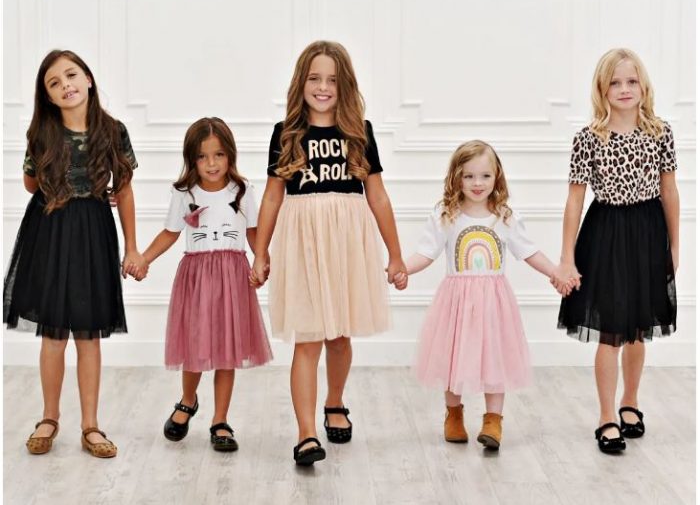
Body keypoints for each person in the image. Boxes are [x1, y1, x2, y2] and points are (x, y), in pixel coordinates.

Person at [251, 40, 407, 465]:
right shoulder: (286, 133)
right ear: (301, 83)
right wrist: (260, 252)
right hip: (303, 241)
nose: (323, 87)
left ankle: (335, 400)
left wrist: (395, 255)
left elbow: (377, 196)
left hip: (346, 240)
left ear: (345, 85)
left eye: (332, 80)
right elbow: (271, 197)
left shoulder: (360, 132)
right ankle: (305, 433)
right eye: (315, 79)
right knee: (307, 338)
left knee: (339, 336)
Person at [3, 49, 143, 458]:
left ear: (88, 79)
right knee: (53, 332)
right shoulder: (41, 134)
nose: (65, 85)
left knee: (88, 332)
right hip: (50, 230)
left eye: (71, 75)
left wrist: (132, 246)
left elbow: (125, 190)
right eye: (54, 82)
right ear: (47, 96)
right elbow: (31, 184)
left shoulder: (113, 131)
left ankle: (90, 425)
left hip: (93, 232)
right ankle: (49, 417)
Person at [398, 140, 572, 450]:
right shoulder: (446, 215)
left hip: (493, 302)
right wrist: (402, 270)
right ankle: (453, 414)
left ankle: (493, 420)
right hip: (457, 301)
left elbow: (528, 251)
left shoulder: (504, 217)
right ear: (456, 178)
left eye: (485, 176)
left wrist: (555, 272)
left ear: (497, 177)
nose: (477, 183)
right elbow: (426, 252)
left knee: (495, 358)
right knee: (454, 357)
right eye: (469, 176)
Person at [552, 48, 679, 454]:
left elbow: (669, 191)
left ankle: (630, 401)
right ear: (602, 89)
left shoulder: (660, 132)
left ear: (643, 86)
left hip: (647, 233)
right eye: (615, 82)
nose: (624, 89)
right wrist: (567, 257)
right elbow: (575, 200)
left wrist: (675, 246)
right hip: (605, 235)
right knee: (610, 332)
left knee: (638, 328)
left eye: (632, 81)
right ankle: (606, 415)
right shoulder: (588, 138)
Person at [139, 117, 272, 452]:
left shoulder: (242, 190)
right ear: (191, 159)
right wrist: (144, 258)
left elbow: (254, 231)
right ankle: (188, 400)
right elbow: (170, 232)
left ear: (230, 155)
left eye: (219, 155)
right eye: (202, 157)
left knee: (227, 350)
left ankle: (220, 420)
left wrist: (262, 259)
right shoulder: (185, 193)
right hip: (197, 277)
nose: (211, 164)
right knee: (195, 345)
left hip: (232, 275)